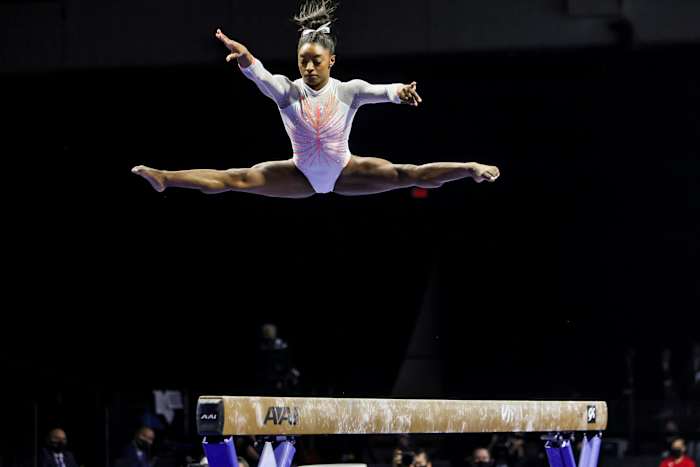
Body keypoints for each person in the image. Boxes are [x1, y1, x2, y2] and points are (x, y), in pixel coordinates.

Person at [132, 0, 500, 198]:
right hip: (299, 175)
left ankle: (468, 168)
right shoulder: (287, 92)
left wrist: (399, 92)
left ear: (331, 61)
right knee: (236, 179)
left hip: (345, 171)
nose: (308, 66)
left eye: (316, 60)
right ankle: (165, 177)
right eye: (302, 60)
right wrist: (244, 56)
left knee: (408, 175)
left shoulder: (347, 90)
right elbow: (259, 73)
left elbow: (381, 91)